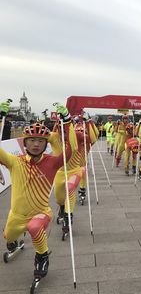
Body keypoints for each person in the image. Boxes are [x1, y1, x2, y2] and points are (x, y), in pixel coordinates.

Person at [0, 103, 72, 282]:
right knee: (8, 236)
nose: (36, 144)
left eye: (40, 141)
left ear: (45, 144)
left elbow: (70, 151)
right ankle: (13, 241)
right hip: (16, 215)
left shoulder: (52, 162)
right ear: (25, 143)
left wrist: (68, 122)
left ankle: (42, 257)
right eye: (31, 140)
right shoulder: (14, 162)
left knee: (34, 227)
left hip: (40, 213)